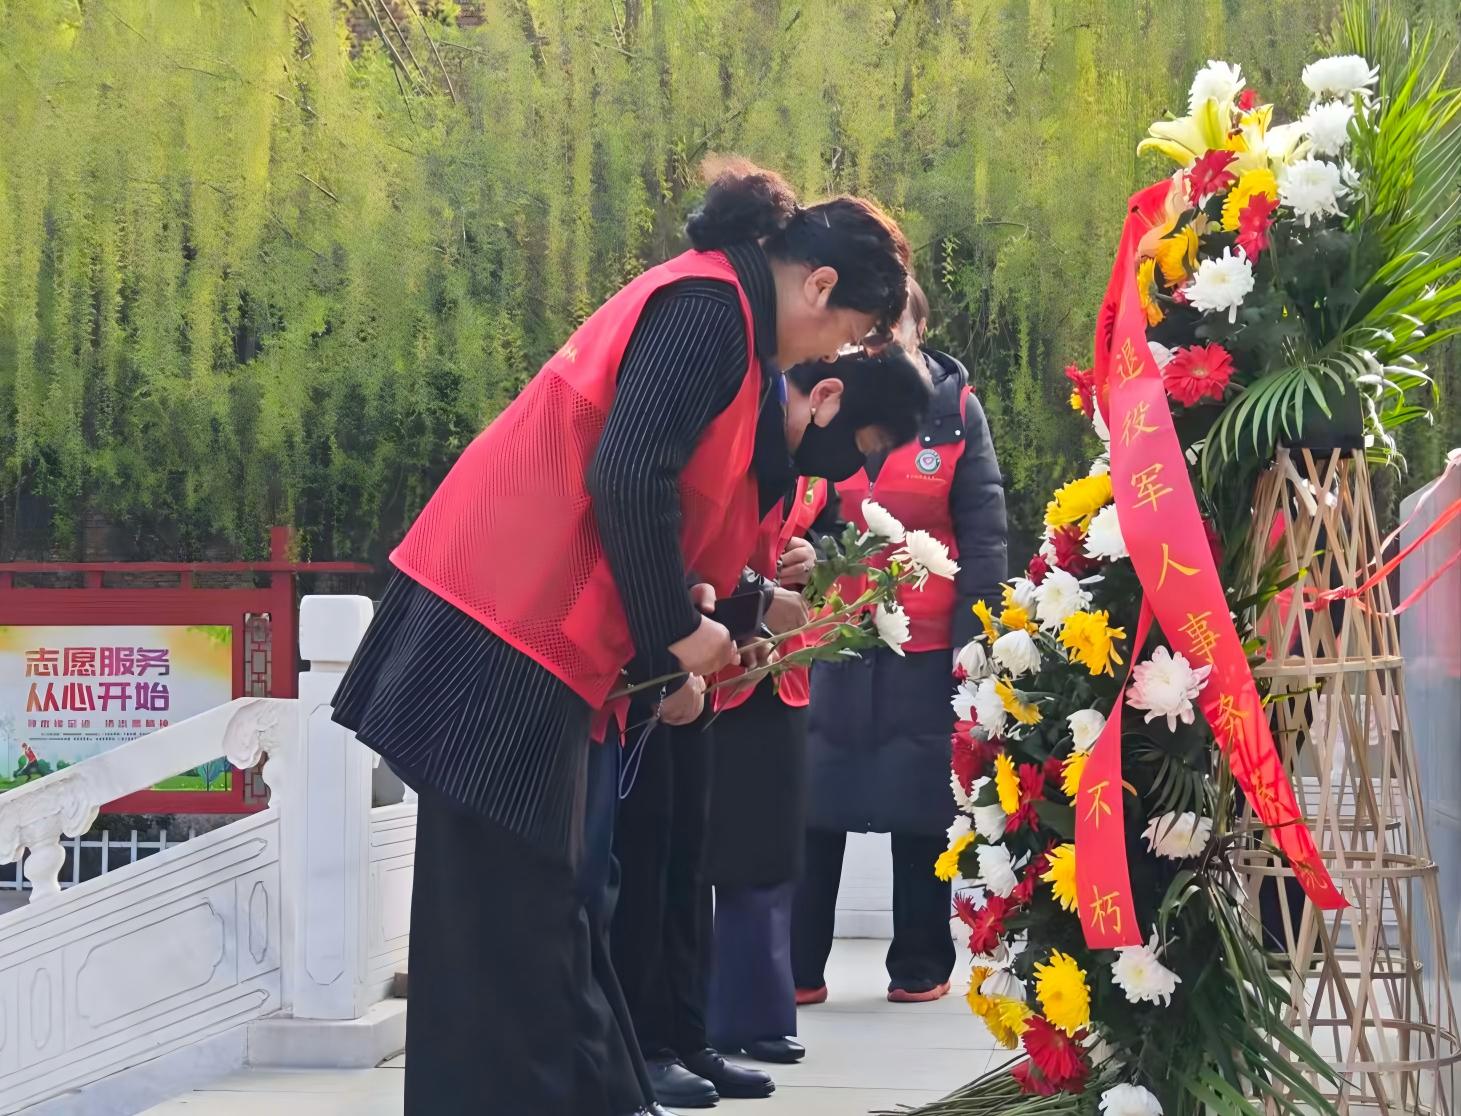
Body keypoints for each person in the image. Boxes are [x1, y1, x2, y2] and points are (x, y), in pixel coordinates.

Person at [329, 157, 913, 1116]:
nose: (829, 355)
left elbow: (653, 495)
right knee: (510, 926)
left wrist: (680, 626)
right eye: (845, 334)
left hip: (526, 621)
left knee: (543, 913)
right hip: (501, 621)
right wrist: (674, 634)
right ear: (818, 285)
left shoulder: (722, 312)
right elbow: (627, 474)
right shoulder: (709, 309)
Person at [610, 353, 931, 1111]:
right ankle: (645, 1047)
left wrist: (753, 619)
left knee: (687, 859)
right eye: (862, 444)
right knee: (650, 860)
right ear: (828, 396)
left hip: (715, 664)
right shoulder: (728, 408)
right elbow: (673, 541)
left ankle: (687, 1037)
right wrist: (715, 627)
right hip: (659, 660)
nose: (852, 464)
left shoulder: (783, 453)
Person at [792, 277, 1008, 1006]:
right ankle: (797, 967)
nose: (879, 340)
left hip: (927, 642)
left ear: (920, 330)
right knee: (813, 800)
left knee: (922, 804)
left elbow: (984, 537)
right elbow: (797, 509)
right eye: (869, 328)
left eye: (895, 325)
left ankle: (919, 964)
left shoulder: (958, 412)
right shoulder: (822, 401)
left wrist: (975, 647)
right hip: (831, 636)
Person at [700, 470, 836, 1070]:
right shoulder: (724, 443)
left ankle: (759, 1014)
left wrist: (817, 557)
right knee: (690, 854)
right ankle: (687, 1021)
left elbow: (840, 544)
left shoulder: (818, 471)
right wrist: (755, 595)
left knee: (769, 853)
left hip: (783, 676)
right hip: (703, 671)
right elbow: (690, 541)